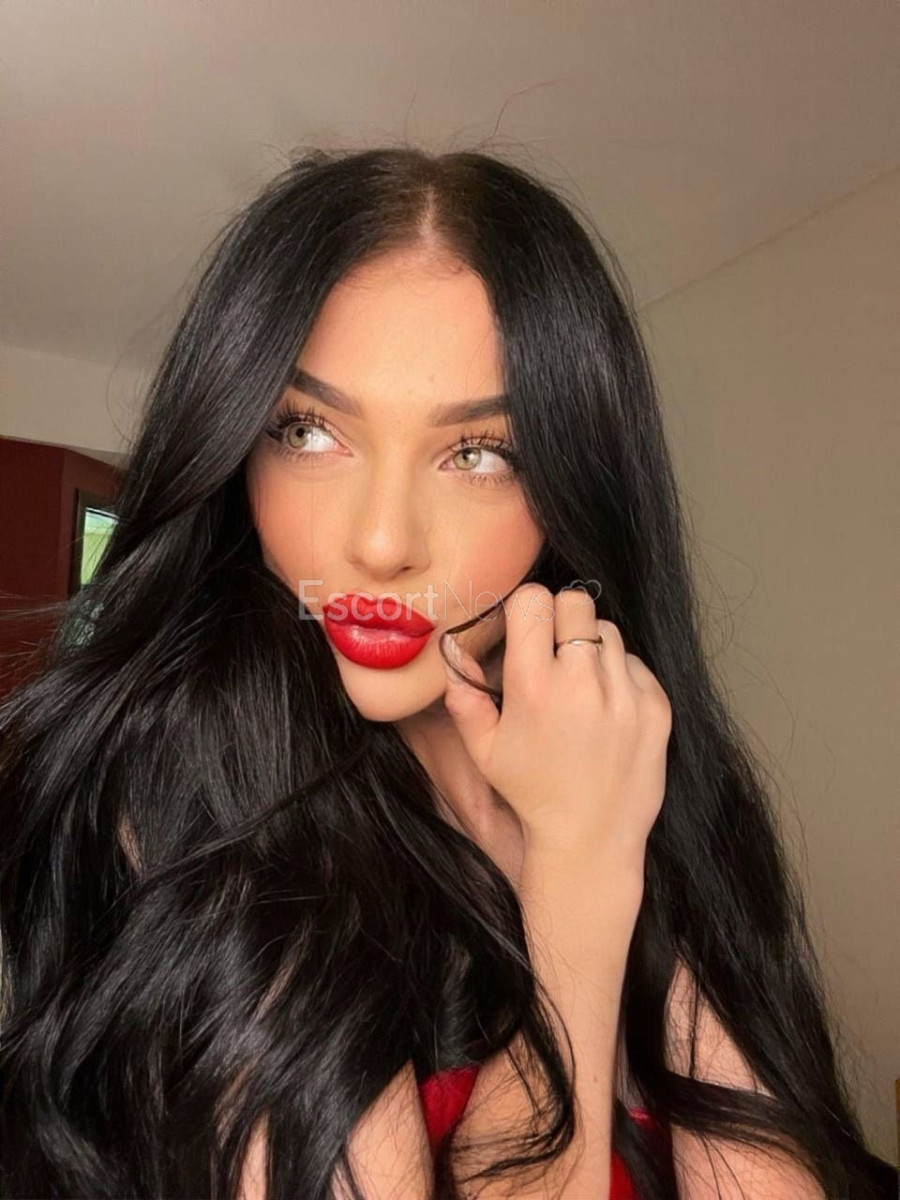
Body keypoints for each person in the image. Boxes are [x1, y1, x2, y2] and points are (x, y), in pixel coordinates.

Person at [0, 146, 889, 1200]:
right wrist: (577, 894)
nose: (381, 543)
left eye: (477, 453)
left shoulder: (621, 762)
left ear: (571, 489)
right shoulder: (184, 790)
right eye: (308, 431)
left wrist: (610, 833)